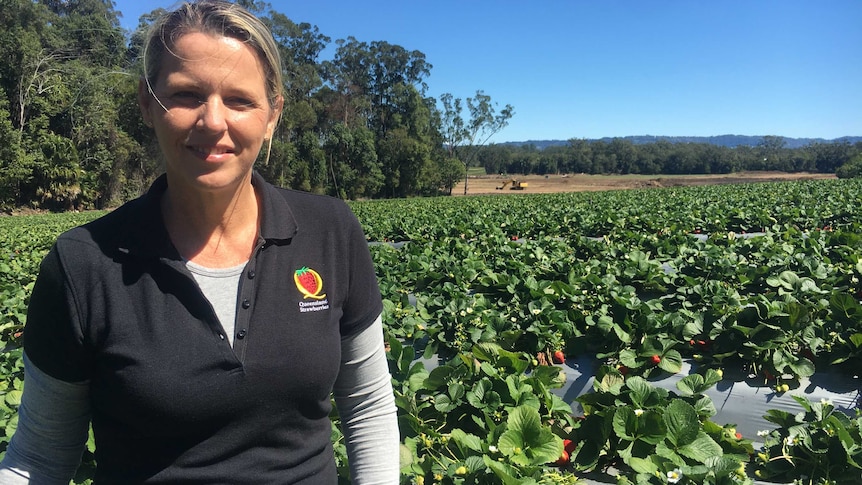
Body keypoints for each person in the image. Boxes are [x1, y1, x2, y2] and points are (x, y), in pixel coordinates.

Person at [0, 1, 400, 483]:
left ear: (272, 114)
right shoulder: (83, 264)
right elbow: (39, 458)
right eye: (187, 95)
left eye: (239, 100)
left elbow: (368, 409)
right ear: (149, 104)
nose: (213, 121)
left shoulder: (330, 231)